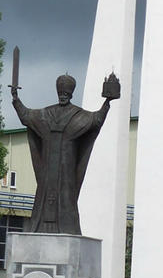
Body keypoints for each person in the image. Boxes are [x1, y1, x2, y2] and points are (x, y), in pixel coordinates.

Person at [12, 72, 119, 235]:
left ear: (71, 94)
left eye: (66, 93)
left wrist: (107, 102)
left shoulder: (77, 116)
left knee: (67, 200)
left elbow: (96, 119)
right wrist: (15, 99)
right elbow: (26, 116)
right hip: (47, 172)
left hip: (67, 173)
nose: (63, 96)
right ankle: (39, 229)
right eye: (61, 93)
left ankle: (69, 230)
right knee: (43, 197)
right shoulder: (45, 115)